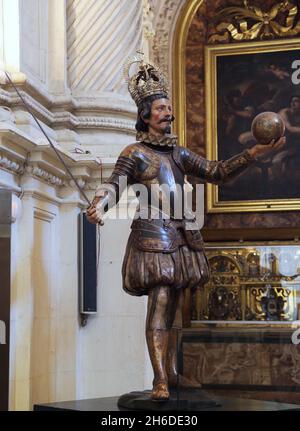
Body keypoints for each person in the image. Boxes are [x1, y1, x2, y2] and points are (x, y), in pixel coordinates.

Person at [86, 57, 285, 401]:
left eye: (169, 107)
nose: (169, 113)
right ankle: (160, 379)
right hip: (152, 235)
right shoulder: (134, 153)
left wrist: (252, 153)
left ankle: (174, 373)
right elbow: (114, 184)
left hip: (182, 235)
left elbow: (216, 171)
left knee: (177, 307)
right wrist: (98, 205)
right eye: (161, 108)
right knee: (160, 302)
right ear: (146, 115)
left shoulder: (177, 153)